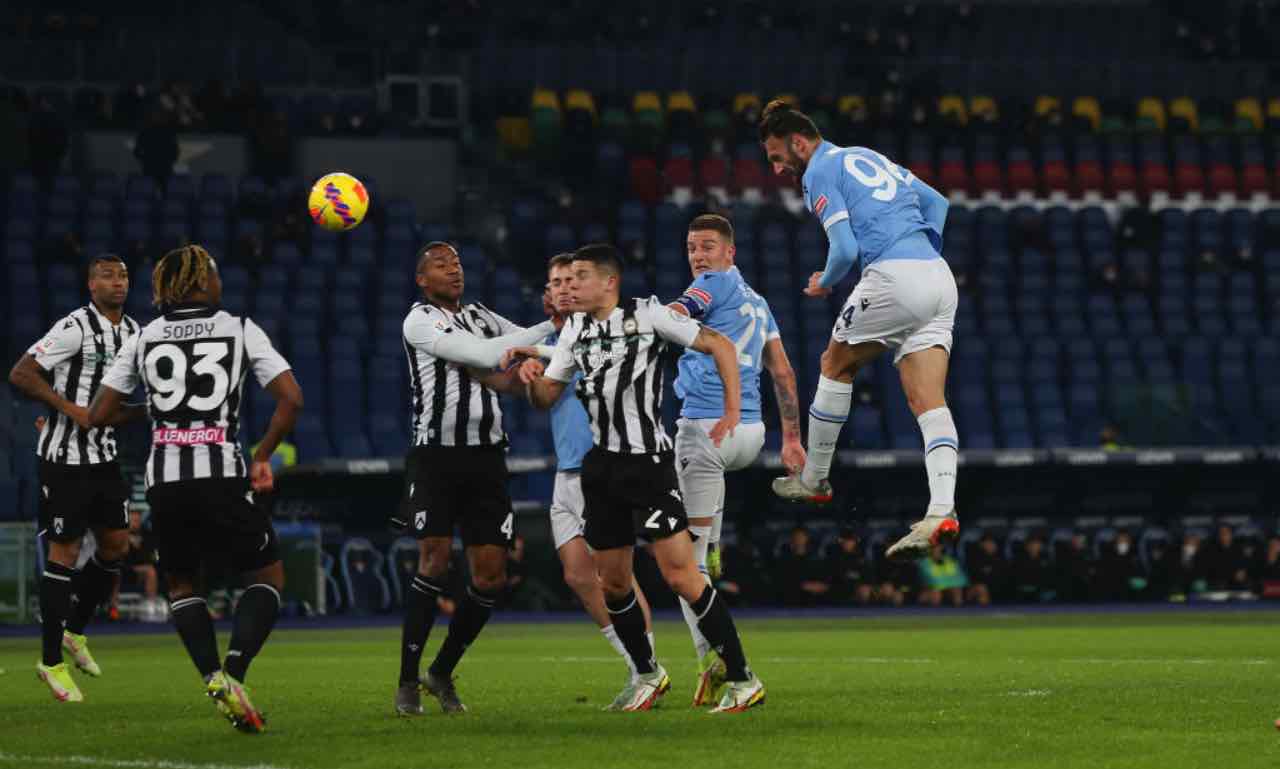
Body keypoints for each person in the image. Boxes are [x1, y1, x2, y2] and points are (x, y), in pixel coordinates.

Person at [510, 243, 766, 713]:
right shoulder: (575, 333)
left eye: (581, 276)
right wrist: (531, 378)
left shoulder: (650, 316)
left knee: (681, 575)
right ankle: (647, 675)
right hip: (600, 468)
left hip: (648, 465)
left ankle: (743, 678)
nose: (572, 286)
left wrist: (733, 410)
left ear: (609, 282)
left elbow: (720, 345)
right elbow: (548, 396)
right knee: (613, 583)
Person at [87, 245, 303, 733]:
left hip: (165, 481)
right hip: (222, 474)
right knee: (267, 577)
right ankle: (235, 673)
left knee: (182, 584)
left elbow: (100, 413)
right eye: (216, 273)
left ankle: (211, 675)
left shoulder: (142, 339)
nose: (220, 282)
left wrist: (161, 413)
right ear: (202, 282)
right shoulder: (239, 327)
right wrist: (263, 454)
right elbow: (291, 399)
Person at [759, 101, 960, 562]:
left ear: (800, 142)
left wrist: (824, 282)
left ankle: (814, 478)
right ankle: (942, 511)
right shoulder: (867, 155)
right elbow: (938, 203)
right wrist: (921, 254)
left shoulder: (818, 172)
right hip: (938, 276)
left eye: (777, 155)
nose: (776, 168)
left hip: (893, 276)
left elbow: (845, 249)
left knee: (834, 363)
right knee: (928, 401)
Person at [394, 242, 558, 717]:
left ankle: (441, 671)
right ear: (422, 280)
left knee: (490, 575)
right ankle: (406, 681)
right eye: (441, 265)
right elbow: (490, 352)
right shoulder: (420, 320)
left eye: (459, 262)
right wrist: (548, 327)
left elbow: (518, 345)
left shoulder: (482, 313)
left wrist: (540, 343)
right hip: (436, 458)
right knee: (434, 560)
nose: (454, 270)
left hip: (487, 457)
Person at [665, 213, 804, 702]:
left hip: (707, 428)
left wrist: (633, 322)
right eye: (691, 247)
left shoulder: (710, 285)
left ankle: (720, 660)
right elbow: (783, 373)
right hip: (750, 433)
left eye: (707, 246)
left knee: (684, 566)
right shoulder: (758, 302)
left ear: (730, 253)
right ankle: (715, 542)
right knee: (699, 545)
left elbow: (676, 315)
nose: (698, 256)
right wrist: (791, 439)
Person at [8, 254, 140, 702]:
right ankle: (50, 663)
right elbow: (21, 372)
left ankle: (74, 632)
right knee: (64, 552)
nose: (118, 282)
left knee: (116, 546)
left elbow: (118, 405)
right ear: (90, 285)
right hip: (64, 460)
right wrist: (68, 410)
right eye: (107, 276)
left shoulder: (135, 333)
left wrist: (141, 413)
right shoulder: (74, 327)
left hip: (103, 458)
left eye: (122, 275)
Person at [539, 253, 658, 707]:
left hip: (600, 468)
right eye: (556, 281)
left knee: (616, 578)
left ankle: (645, 669)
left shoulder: (604, 332)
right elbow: (511, 374)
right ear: (547, 293)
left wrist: (535, 355)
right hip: (563, 471)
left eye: (572, 279)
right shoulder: (549, 338)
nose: (565, 287)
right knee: (576, 575)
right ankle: (638, 666)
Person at [776, 525, 831, 606]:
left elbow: (825, 579)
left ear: (806, 538)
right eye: (796, 537)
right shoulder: (785, 559)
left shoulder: (815, 559)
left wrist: (822, 586)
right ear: (792, 539)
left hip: (816, 600)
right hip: (792, 600)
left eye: (801, 536)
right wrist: (803, 586)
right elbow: (782, 582)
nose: (799, 539)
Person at [827, 527, 875, 606]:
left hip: (858, 589)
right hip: (840, 588)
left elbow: (868, 577)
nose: (848, 543)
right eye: (845, 540)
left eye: (850, 540)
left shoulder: (861, 556)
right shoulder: (834, 556)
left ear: (855, 541)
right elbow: (833, 578)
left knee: (865, 590)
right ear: (841, 541)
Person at [965, 531, 1007, 605]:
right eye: (987, 542)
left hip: (999, 587)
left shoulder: (1001, 558)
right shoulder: (975, 557)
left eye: (992, 542)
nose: (990, 545)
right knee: (981, 589)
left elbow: (1004, 576)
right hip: (980, 588)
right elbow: (974, 577)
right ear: (981, 544)